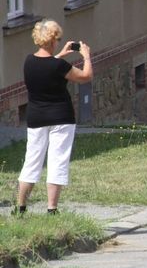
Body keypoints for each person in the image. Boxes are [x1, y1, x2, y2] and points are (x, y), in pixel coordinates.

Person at [13, 20, 92, 216]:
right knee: (57, 162)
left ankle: (20, 207)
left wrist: (60, 55)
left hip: (36, 118)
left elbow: (46, 66)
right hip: (61, 118)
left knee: (32, 162)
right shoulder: (59, 66)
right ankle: (52, 209)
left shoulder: (29, 61)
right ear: (53, 41)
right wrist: (87, 57)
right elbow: (85, 76)